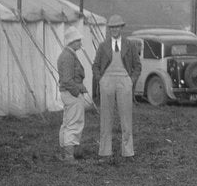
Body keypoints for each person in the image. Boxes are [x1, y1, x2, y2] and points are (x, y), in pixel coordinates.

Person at [92, 15, 141, 160]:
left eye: (117, 27)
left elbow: (137, 66)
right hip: (107, 81)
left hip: (124, 81)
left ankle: (128, 152)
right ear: (109, 29)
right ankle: (105, 152)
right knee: (106, 118)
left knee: (126, 118)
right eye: (112, 27)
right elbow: (95, 66)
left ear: (121, 28)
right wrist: (100, 80)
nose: (114, 29)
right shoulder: (103, 46)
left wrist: (131, 80)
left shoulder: (130, 45)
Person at [56, 26, 87, 161]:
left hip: (67, 93)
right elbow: (67, 79)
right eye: (78, 40)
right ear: (72, 42)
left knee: (67, 123)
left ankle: (65, 152)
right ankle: (69, 156)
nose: (80, 43)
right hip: (71, 93)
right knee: (74, 123)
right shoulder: (68, 56)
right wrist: (77, 92)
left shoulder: (67, 54)